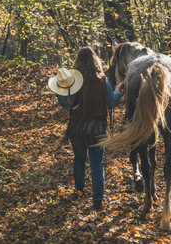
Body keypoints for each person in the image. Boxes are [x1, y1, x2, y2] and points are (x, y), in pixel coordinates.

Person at [48, 47, 124, 210]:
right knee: (97, 162)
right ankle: (98, 199)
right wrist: (117, 91)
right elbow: (112, 103)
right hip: (98, 128)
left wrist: (60, 91)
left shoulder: (74, 82)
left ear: (78, 61)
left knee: (79, 160)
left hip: (78, 128)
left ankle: (80, 190)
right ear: (95, 60)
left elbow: (64, 104)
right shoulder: (103, 81)